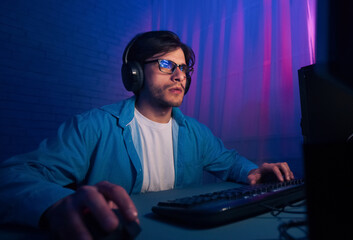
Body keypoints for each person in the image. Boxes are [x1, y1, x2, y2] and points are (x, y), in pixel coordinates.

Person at [0, 30, 294, 239]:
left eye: (183, 68)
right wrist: (55, 204)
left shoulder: (195, 132)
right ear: (135, 74)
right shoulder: (92, 126)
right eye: (166, 65)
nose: (180, 75)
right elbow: (13, 177)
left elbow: (229, 161)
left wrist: (254, 172)